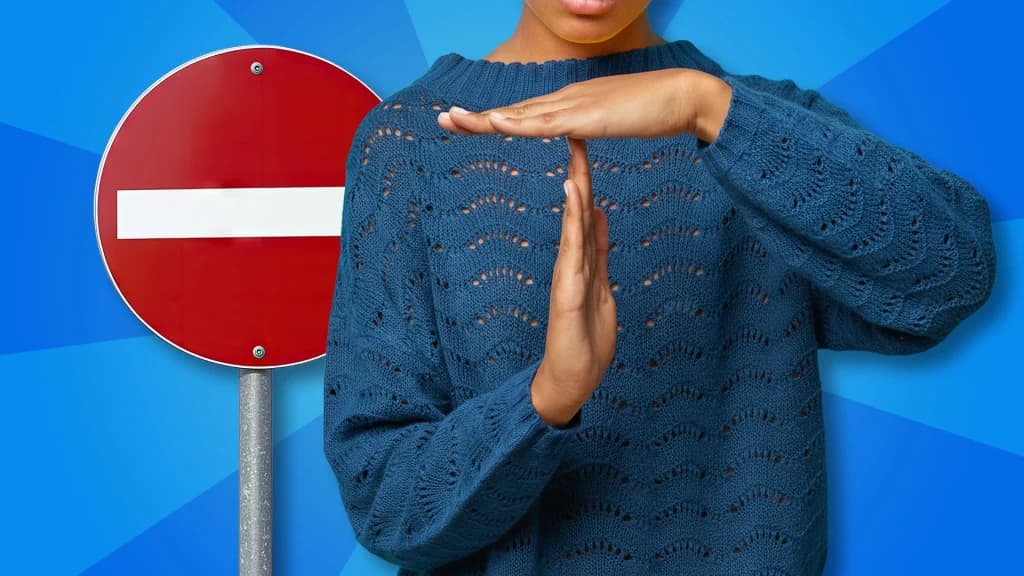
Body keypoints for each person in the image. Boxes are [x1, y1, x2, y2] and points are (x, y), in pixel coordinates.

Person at [322, 1, 997, 574]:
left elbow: (950, 273)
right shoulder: (410, 144)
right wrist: (547, 398)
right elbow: (385, 499)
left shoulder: (760, 127)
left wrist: (701, 105)